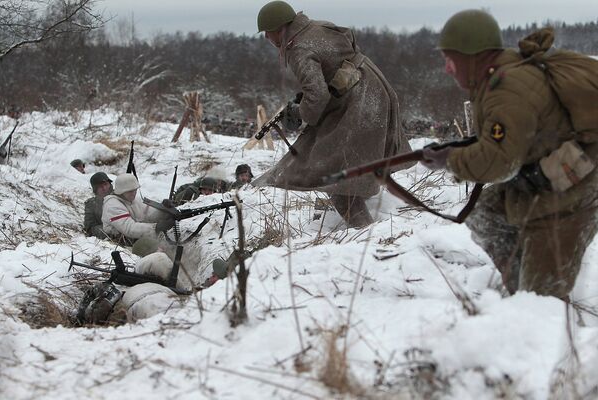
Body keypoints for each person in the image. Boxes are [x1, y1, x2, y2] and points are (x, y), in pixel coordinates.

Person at [421, 10, 598, 299]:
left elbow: (499, 163)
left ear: (472, 56)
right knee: (487, 215)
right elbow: (505, 141)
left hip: (569, 197)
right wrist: (457, 150)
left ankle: (535, 300)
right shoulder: (498, 79)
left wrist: (449, 160)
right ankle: (519, 289)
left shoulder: (507, 90)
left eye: (450, 59)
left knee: (543, 302)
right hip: (542, 182)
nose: (447, 69)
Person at [252, 1, 412, 228]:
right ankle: (369, 218)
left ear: (278, 29)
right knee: (349, 167)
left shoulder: (298, 48)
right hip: (374, 88)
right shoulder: (318, 27)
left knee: (331, 173)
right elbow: (345, 49)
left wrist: (300, 113)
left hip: (359, 102)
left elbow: (316, 95)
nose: (267, 39)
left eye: (267, 34)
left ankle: (365, 233)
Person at [101, 173, 175, 243]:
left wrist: (165, 211)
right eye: (130, 191)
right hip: (118, 244)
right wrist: (156, 228)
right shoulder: (112, 206)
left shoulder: (133, 200)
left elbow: (149, 214)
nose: (134, 193)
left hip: (134, 240)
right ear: (121, 191)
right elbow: (129, 228)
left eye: (135, 190)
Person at [84, 172, 113, 238]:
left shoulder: (121, 195)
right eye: (100, 187)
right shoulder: (91, 204)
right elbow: (90, 229)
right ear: (95, 190)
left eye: (106, 184)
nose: (104, 188)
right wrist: (110, 230)